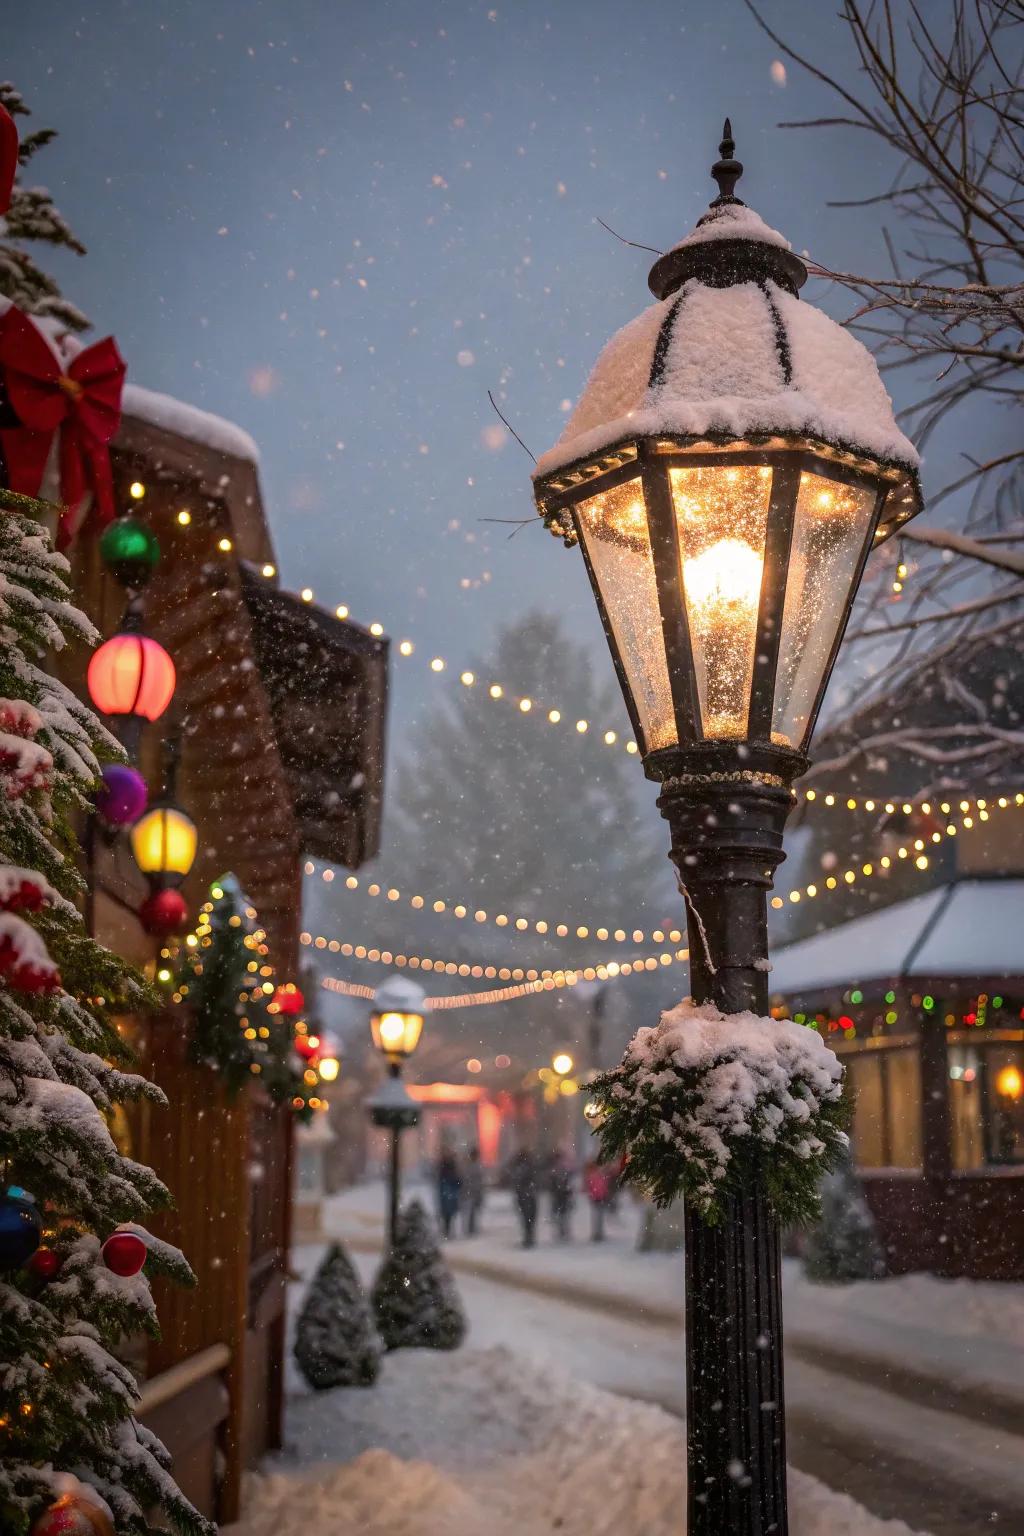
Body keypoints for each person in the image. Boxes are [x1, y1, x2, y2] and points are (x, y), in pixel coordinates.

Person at [508, 1147, 539, 1248]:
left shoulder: (519, 1167)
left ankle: (528, 1237)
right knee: (529, 1218)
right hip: (528, 1195)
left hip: (524, 1195)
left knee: (527, 1218)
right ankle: (529, 1237)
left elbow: (516, 1180)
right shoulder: (528, 1167)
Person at [548, 1147, 575, 1242]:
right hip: (560, 1195)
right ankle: (562, 1231)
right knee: (561, 1215)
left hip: (562, 1195)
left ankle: (563, 1231)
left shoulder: (561, 1170)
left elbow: (567, 1183)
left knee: (562, 1215)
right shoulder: (558, 1170)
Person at [584, 1157, 612, 1242]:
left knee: (598, 1216)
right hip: (597, 1198)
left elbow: (603, 1186)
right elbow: (591, 1187)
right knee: (597, 1216)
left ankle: (598, 1232)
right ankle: (597, 1232)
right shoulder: (595, 1176)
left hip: (599, 1197)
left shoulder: (598, 1175)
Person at [437, 1147, 462, 1240]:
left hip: (449, 1191)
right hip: (447, 1191)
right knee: (447, 1214)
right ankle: (447, 1231)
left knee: (449, 1214)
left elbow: (457, 1180)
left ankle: (448, 1231)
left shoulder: (448, 1166)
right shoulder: (446, 1167)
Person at [463, 1145, 485, 1237]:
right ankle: (470, 1228)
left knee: (473, 1210)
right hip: (472, 1191)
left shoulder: (474, 1165)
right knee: (471, 1210)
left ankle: (471, 1227)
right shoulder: (471, 1166)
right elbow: (467, 1179)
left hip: (474, 1191)